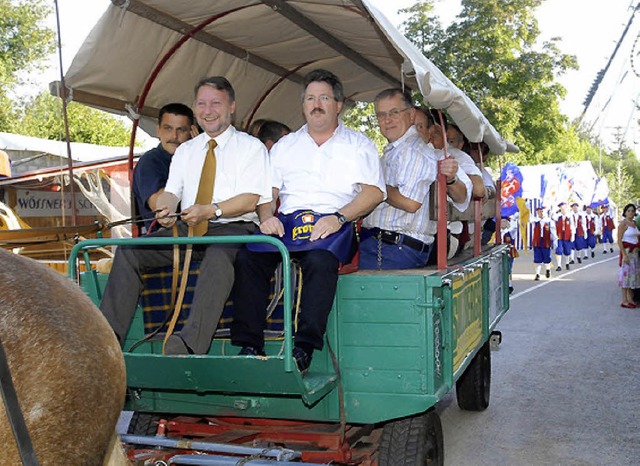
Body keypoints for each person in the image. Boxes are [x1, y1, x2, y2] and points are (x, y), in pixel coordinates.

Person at [100, 76, 271, 354]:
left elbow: (250, 200)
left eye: (216, 103)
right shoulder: (187, 150)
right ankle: (105, 342)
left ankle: (191, 344)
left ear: (232, 107)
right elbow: (171, 193)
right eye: (202, 103)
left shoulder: (251, 147)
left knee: (218, 258)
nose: (208, 110)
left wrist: (212, 209)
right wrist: (164, 208)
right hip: (191, 227)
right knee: (130, 250)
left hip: (233, 228)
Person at [230, 69, 385, 372]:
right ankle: (250, 345)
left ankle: (304, 348)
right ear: (303, 105)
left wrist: (339, 218)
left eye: (324, 98)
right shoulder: (286, 146)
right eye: (310, 98)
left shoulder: (359, 144)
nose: (317, 104)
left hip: (334, 225)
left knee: (319, 262)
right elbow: (267, 192)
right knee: (248, 258)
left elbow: (374, 193)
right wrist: (266, 217)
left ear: (338, 104)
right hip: (288, 224)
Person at [359, 89, 472, 269]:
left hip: (392, 248)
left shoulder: (413, 151)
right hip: (388, 245)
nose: (387, 120)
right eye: (381, 115)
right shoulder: (396, 151)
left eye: (394, 113)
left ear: (410, 115)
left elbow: (410, 203)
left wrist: (374, 187)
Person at [132, 103, 196, 233]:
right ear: (158, 131)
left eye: (181, 130)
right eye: (168, 128)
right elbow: (163, 209)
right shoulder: (150, 162)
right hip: (165, 241)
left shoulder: (200, 159)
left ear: (192, 132)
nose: (174, 136)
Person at [617, 203, 640, 308]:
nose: (631, 213)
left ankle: (630, 299)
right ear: (625, 212)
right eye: (628, 211)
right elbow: (619, 240)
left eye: (632, 211)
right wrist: (624, 254)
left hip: (635, 253)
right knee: (625, 276)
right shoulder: (623, 224)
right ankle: (624, 300)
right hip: (627, 252)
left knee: (633, 276)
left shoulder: (634, 223)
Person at [531, 205, 554, 280]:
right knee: (537, 258)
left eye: (542, 211)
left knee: (546, 257)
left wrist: (555, 240)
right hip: (537, 241)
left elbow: (553, 232)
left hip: (546, 241)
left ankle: (548, 269)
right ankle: (537, 274)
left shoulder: (549, 221)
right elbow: (528, 218)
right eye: (539, 212)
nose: (540, 213)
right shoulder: (535, 221)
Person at [554, 201, 574, 271]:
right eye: (562, 208)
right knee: (559, 250)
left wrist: (572, 235)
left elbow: (572, 226)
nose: (563, 209)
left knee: (567, 251)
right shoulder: (557, 216)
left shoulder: (569, 216)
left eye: (564, 208)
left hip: (567, 235)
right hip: (559, 236)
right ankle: (559, 265)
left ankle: (567, 263)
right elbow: (553, 224)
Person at [500, 216, 518, 292]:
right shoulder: (497, 232)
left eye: (504, 222)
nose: (503, 223)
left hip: (509, 253)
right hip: (500, 254)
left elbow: (515, 227)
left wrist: (513, 219)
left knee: (508, 269)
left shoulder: (510, 232)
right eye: (501, 222)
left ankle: (509, 285)